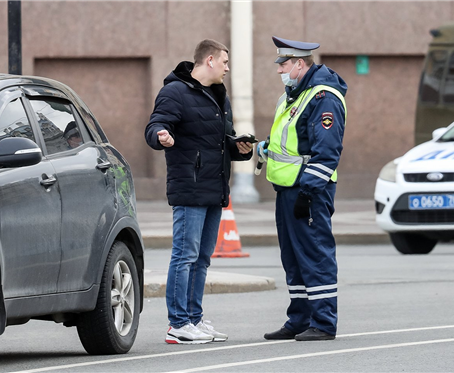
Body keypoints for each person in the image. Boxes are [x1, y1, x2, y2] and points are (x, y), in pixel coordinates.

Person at [145, 39, 253, 344]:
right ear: (208, 60)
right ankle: (177, 323)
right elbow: (155, 125)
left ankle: (193, 318)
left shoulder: (218, 95)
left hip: (215, 187)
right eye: (225, 62)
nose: (227, 69)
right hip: (189, 188)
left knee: (202, 258)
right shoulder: (175, 91)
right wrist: (161, 136)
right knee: (185, 255)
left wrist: (239, 148)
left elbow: (220, 142)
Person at [259, 36, 348, 341]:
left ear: (299, 63)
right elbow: (290, 145)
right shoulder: (292, 96)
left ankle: (323, 322)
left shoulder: (323, 97)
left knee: (315, 255)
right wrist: (262, 148)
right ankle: (300, 318)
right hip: (288, 189)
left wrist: (309, 192)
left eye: (283, 64)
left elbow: (327, 152)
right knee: (293, 258)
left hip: (308, 190)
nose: (280, 70)